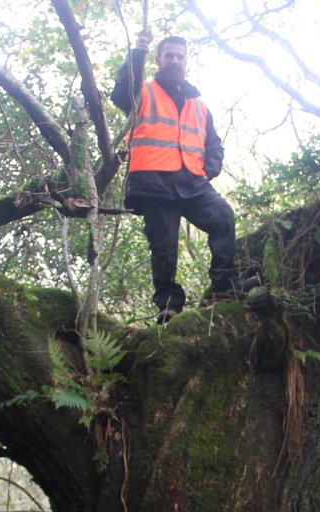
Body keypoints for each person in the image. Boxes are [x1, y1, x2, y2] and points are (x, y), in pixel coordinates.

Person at [111, 32, 245, 324]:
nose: (174, 60)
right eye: (169, 55)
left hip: (192, 182)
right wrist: (137, 53)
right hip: (153, 183)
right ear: (158, 60)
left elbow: (214, 144)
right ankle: (168, 304)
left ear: (186, 62)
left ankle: (224, 282)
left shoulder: (200, 105)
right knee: (164, 246)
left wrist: (209, 169)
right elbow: (121, 93)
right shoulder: (143, 92)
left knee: (223, 217)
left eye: (180, 56)